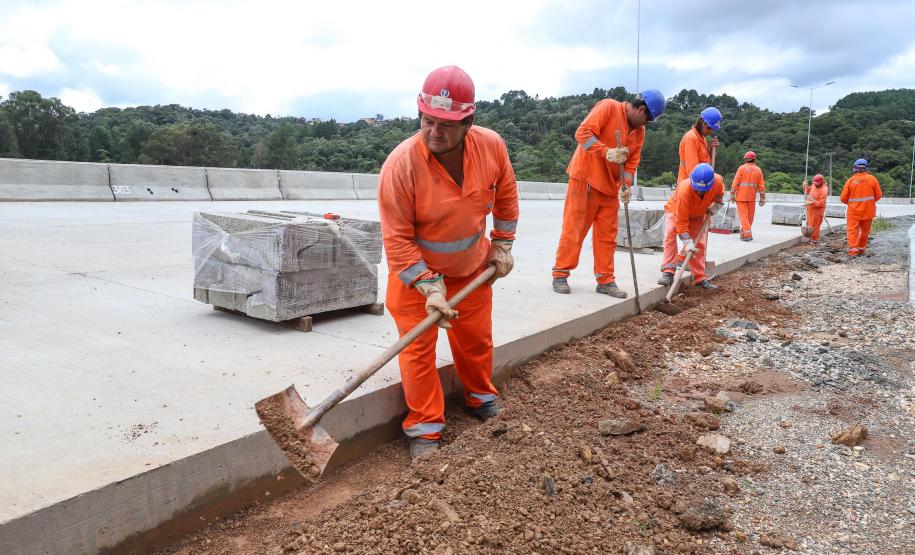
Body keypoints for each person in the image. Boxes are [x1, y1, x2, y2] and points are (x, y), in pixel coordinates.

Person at [377, 66, 519, 459]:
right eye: (427, 121)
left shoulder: (491, 147)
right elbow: (397, 239)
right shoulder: (400, 166)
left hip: (470, 269)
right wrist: (428, 285)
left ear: (469, 123)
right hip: (415, 277)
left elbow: (506, 197)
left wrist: (502, 244)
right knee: (418, 351)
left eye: (445, 125)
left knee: (476, 342)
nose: (434, 132)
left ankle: (479, 397)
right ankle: (424, 429)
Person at [550, 90, 666, 296]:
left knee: (607, 237)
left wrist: (626, 184)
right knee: (574, 231)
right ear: (640, 109)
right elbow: (582, 134)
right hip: (584, 181)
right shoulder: (609, 107)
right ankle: (560, 273)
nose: (647, 123)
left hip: (609, 189)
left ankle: (605, 280)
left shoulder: (639, 133)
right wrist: (606, 152)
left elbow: (632, 163)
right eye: (647, 118)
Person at [657, 163, 725, 289]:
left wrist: (716, 205)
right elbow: (681, 222)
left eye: (703, 189)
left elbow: (720, 194)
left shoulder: (718, 181)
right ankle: (668, 271)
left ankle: (699, 278)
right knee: (670, 235)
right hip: (676, 211)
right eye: (697, 188)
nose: (699, 191)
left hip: (698, 214)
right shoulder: (684, 190)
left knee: (699, 244)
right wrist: (687, 242)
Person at [840, 159, 882, 257]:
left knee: (852, 231)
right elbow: (878, 195)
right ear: (866, 168)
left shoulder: (850, 181)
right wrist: (869, 203)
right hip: (868, 211)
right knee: (864, 232)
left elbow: (843, 198)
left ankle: (853, 251)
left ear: (855, 168)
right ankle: (861, 249)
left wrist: (852, 204)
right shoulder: (872, 179)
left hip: (853, 212)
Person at [729, 151, 766, 241]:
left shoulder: (741, 168)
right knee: (749, 217)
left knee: (744, 216)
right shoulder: (758, 170)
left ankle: (746, 233)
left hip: (741, 197)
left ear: (745, 159)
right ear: (754, 159)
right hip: (751, 197)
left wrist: (732, 194)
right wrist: (762, 198)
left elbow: (735, 182)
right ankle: (745, 233)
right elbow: (761, 185)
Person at [678, 107, 721, 180]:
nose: (710, 132)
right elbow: (692, 172)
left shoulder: (702, 139)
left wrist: (711, 150)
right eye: (709, 128)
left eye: (712, 129)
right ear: (703, 123)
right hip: (690, 186)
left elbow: (705, 164)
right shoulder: (691, 138)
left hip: (700, 185)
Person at [803, 174, 828, 244]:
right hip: (810, 209)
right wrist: (805, 186)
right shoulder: (814, 185)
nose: (815, 185)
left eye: (817, 184)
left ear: (821, 182)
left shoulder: (824, 190)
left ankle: (814, 240)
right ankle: (810, 238)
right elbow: (808, 191)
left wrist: (811, 202)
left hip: (818, 210)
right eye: (814, 183)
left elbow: (821, 203)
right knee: (809, 224)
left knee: (815, 226)